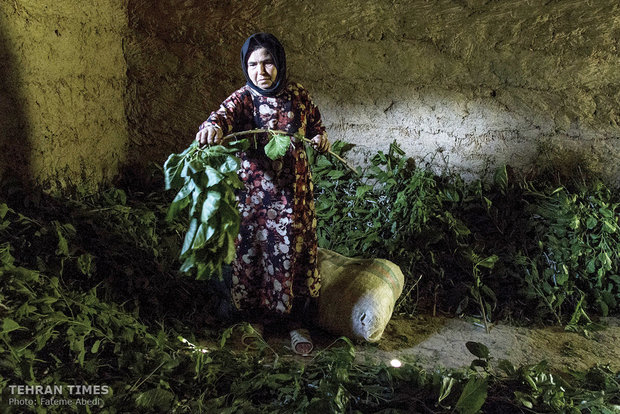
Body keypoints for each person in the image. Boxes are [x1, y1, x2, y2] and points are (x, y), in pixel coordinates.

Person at [195, 33, 330, 355]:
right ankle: (255, 320)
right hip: (255, 198)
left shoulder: (298, 96)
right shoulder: (243, 98)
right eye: (253, 64)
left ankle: (295, 323)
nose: (261, 71)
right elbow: (220, 117)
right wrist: (211, 128)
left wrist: (322, 139)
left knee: (294, 252)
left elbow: (316, 129)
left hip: (294, 196)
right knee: (254, 254)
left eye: (268, 62)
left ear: (279, 63)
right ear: (246, 67)